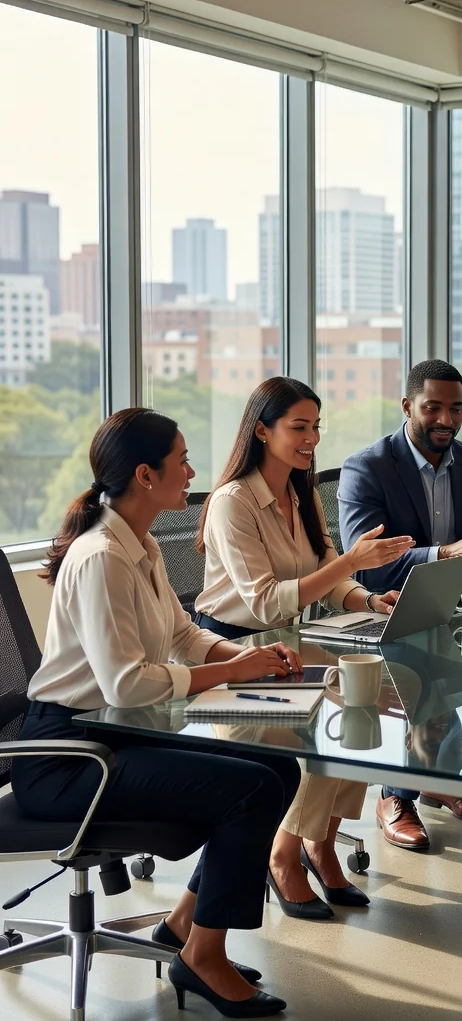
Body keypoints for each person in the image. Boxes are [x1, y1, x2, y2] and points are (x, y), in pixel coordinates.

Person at [12, 408, 304, 1018]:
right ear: (146, 475)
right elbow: (126, 683)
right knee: (250, 789)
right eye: (182, 461)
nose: (192, 472)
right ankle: (204, 958)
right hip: (68, 758)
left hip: (113, 734)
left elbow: (184, 636)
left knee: (278, 768)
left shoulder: (140, 545)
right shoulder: (101, 556)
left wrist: (250, 658)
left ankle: (182, 928)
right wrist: (233, 672)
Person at [195, 377, 414, 919]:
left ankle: (320, 842)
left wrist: (368, 597)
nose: (312, 438)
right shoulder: (232, 502)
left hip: (286, 649)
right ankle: (283, 854)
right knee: (323, 730)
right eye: (299, 427)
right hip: (233, 655)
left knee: (365, 707)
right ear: (261, 431)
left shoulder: (301, 492)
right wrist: (351, 564)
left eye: (316, 426)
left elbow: (328, 572)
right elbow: (266, 601)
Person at [338, 359, 462, 850]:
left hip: (454, 605)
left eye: (455, 409)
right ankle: (395, 796)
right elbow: (367, 564)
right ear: (407, 406)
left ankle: (440, 781)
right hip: (385, 608)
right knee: (426, 662)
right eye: (433, 408)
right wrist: (444, 554)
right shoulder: (367, 467)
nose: (446, 420)